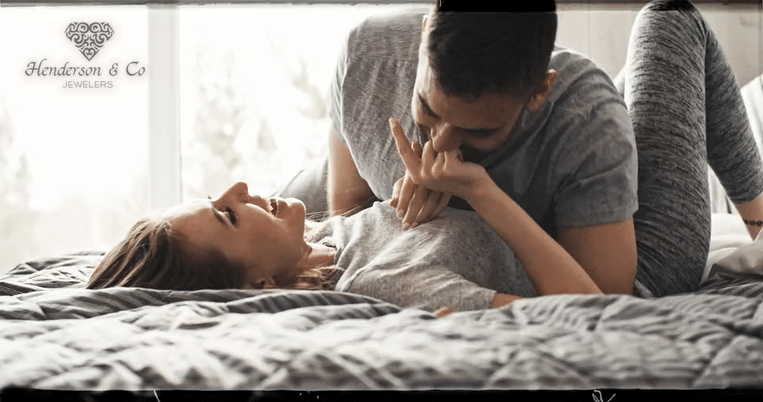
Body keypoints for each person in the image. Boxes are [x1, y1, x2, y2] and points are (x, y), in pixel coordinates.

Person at [323, 0, 763, 298]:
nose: (440, 142)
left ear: (539, 91)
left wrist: (480, 192)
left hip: (638, 257)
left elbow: (607, 305)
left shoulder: (588, 115)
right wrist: (400, 212)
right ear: (423, 34)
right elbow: (348, 222)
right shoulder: (365, 61)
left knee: (670, 18)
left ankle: (760, 224)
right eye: (427, 109)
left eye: (479, 132)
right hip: (587, 150)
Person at [87, 181, 601, 312]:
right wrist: (481, 192)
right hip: (604, 255)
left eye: (212, 197)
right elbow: (588, 309)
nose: (238, 188)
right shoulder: (388, 283)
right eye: (227, 215)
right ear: (258, 284)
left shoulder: (324, 236)